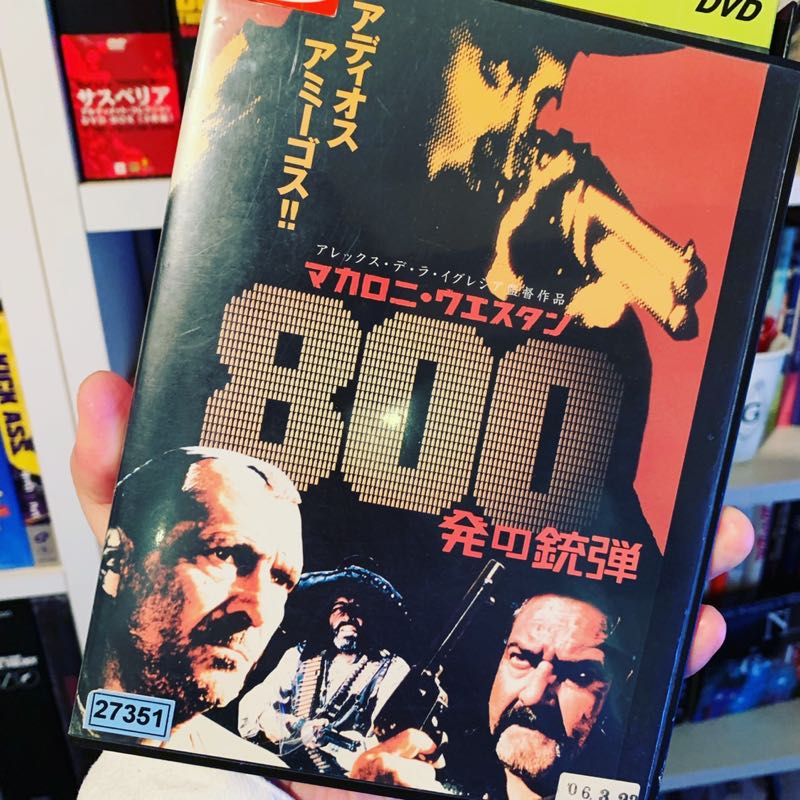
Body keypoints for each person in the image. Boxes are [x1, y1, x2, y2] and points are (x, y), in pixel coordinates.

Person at [73, 372, 751, 799]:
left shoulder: (394, 674)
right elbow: (255, 722)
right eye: (226, 555)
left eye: (280, 577)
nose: (257, 609)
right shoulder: (285, 670)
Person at [239, 565, 410, 776]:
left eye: (358, 609)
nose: (348, 616)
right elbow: (250, 710)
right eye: (340, 607)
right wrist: (294, 726)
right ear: (328, 615)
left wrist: (331, 742)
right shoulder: (300, 656)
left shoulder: (391, 668)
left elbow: (388, 747)